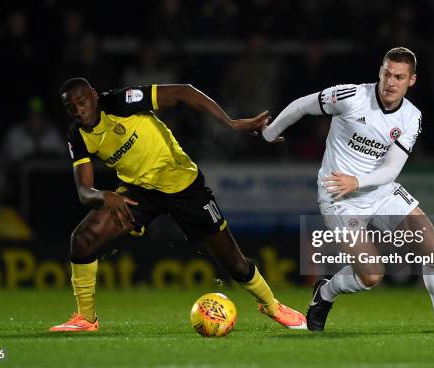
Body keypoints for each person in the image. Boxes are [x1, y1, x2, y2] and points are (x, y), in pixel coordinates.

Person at [261, 47, 434, 332]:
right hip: (338, 196)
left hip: (379, 190)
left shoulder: (411, 117)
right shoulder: (351, 97)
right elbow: (302, 105)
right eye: (386, 74)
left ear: (412, 81)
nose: (390, 82)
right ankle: (325, 292)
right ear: (379, 73)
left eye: (398, 76)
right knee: (371, 276)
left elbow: (392, 169)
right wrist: (270, 133)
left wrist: (358, 181)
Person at [50, 78, 306, 332]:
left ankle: (272, 306)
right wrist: (104, 196)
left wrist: (229, 123)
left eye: (82, 102)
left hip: (184, 187)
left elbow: (184, 91)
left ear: (94, 95)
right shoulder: (78, 135)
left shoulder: (121, 101)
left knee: (234, 264)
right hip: (139, 193)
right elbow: (84, 191)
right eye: (71, 108)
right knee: (83, 239)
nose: (78, 110)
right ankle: (86, 318)